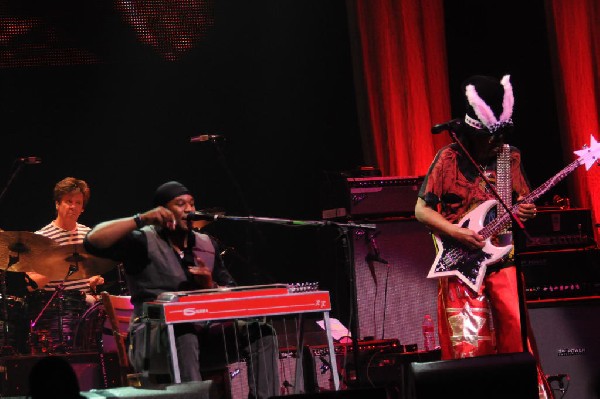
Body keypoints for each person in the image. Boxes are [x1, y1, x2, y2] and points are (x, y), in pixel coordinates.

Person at [415, 75, 551, 398]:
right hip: (462, 269)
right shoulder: (448, 159)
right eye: (489, 137)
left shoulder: (508, 157)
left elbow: (523, 201)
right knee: (469, 351)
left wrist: (527, 210)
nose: (494, 143)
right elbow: (421, 210)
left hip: (503, 263)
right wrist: (456, 234)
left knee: (516, 344)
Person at [84, 181, 280, 398]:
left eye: (192, 203)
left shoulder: (207, 244)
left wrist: (210, 287)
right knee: (183, 331)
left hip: (202, 339)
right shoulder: (142, 240)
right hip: (152, 343)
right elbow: (93, 241)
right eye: (180, 204)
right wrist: (140, 219)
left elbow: (232, 295)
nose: (189, 209)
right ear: (163, 211)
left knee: (261, 331)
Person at [29, 177, 104, 301]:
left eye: (78, 203)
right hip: (55, 309)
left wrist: (93, 280)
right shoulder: (40, 238)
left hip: (85, 307)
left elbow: (92, 272)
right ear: (57, 204)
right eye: (69, 201)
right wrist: (58, 268)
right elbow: (30, 285)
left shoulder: (88, 235)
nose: (73, 206)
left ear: (82, 208)